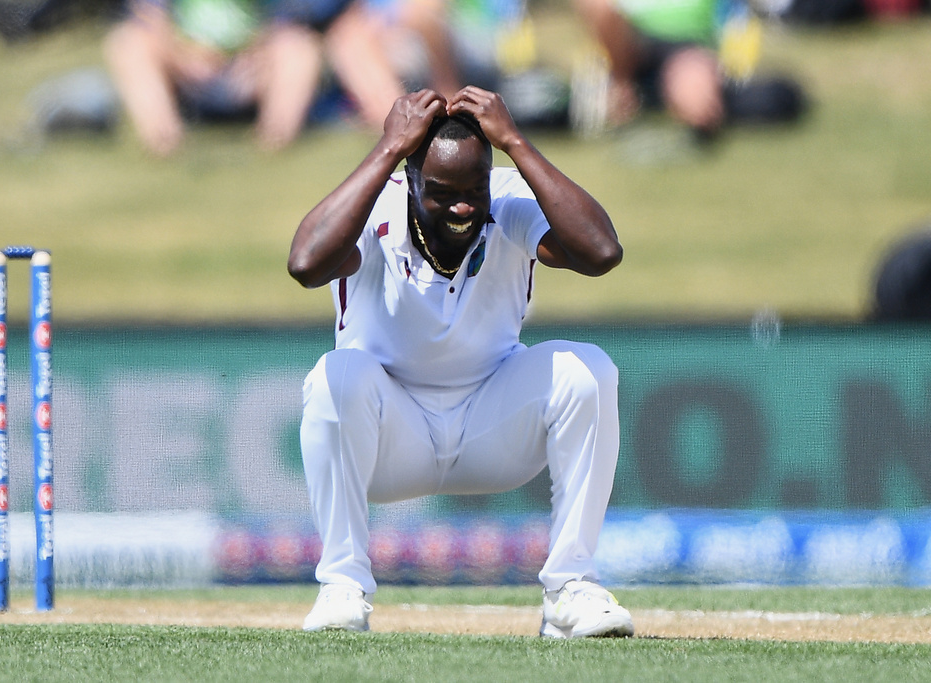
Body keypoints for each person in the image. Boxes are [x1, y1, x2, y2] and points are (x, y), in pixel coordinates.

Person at [287, 86, 633, 638]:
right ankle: (342, 588)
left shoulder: (510, 200)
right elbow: (306, 263)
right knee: (336, 376)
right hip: (388, 438)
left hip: (491, 427)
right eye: (443, 193)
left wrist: (515, 142)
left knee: (588, 369)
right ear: (412, 178)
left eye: (474, 190)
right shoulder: (378, 202)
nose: (464, 208)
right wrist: (387, 149)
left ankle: (570, 590)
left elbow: (601, 252)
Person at [103, 0, 404, 155]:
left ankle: (273, 141)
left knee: (298, 49)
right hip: (186, 65)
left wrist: (256, 53)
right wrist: (184, 55)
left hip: (251, 68)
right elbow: (148, 17)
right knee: (128, 43)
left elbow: (288, 20)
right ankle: (163, 141)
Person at [573, 0, 729, 135]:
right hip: (631, 43)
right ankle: (622, 92)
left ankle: (666, 119)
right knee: (598, 5)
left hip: (685, 46)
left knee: (697, 105)